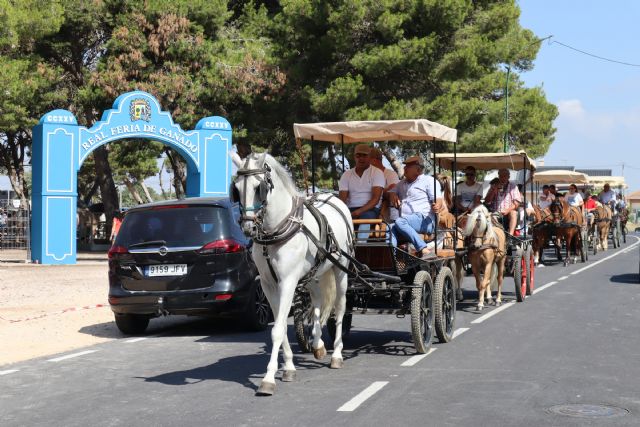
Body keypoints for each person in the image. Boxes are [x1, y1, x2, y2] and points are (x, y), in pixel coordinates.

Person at [388, 156, 444, 259]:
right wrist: (393, 195)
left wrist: (437, 205)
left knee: (400, 222)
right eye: (405, 166)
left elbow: (438, 200)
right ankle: (392, 260)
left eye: (408, 166)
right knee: (389, 228)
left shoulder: (429, 181)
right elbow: (391, 192)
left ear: (418, 170)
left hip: (425, 220)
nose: (404, 168)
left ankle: (424, 249)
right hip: (406, 221)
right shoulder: (402, 183)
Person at [339, 144, 385, 237]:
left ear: (370, 157)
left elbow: (375, 200)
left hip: (370, 210)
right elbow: (342, 200)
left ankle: (359, 246)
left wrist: (357, 212)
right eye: (358, 155)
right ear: (354, 157)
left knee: (366, 219)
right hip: (350, 209)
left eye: (364, 155)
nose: (361, 158)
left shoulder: (377, 172)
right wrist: (343, 213)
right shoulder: (346, 174)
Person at [484, 168, 522, 235]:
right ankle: (496, 235)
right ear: (498, 176)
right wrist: (493, 191)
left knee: (513, 213)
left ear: (508, 177)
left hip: (508, 212)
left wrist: (507, 210)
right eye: (501, 176)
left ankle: (510, 236)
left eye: (505, 176)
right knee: (491, 217)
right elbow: (487, 201)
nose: (502, 178)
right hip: (495, 212)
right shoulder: (494, 185)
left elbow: (517, 203)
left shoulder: (513, 186)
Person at [369, 147, 400, 221]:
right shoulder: (367, 175)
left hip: (382, 210)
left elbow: (393, 190)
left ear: (373, 160)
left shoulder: (390, 174)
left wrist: (377, 192)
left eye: (367, 159)